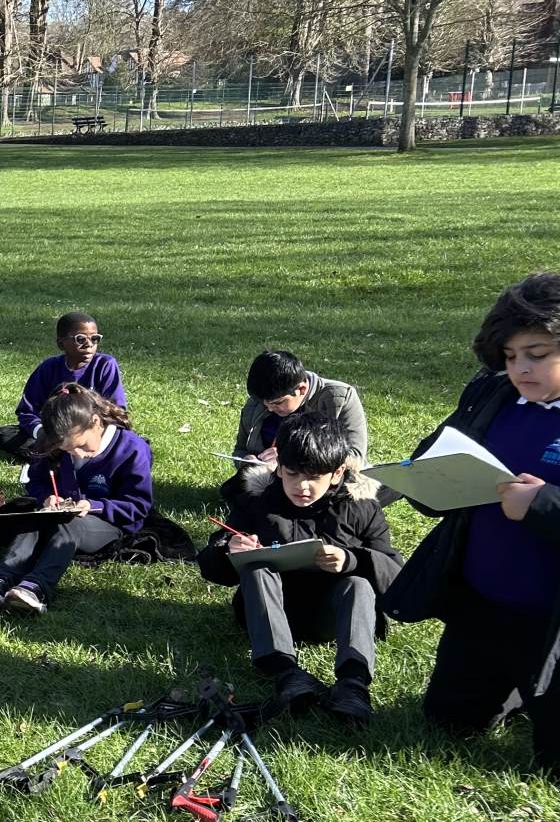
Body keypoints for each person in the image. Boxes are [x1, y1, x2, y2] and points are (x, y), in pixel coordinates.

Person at [386, 272, 560, 763]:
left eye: (537, 354)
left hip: (552, 620)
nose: (520, 368)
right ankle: (512, 687)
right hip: (483, 603)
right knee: (448, 720)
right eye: (510, 355)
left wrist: (542, 504)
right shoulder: (493, 393)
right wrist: (430, 479)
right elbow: (437, 454)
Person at [197, 415, 400, 723]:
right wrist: (229, 549)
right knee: (257, 568)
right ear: (279, 467)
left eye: (314, 477)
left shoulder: (361, 506)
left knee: (358, 584)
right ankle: (286, 673)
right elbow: (212, 568)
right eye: (292, 474)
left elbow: (396, 576)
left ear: (337, 473)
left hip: (331, 617)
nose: (302, 486)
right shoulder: (257, 499)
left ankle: (353, 684)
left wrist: (352, 560)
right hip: (266, 610)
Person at [0, 384, 153, 616]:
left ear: (96, 422)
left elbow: (138, 505)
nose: (77, 454)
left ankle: (37, 587)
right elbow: (36, 481)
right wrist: (46, 497)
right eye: (67, 449)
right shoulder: (57, 444)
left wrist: (94, 506)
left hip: (109, 522)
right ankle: (0, 578)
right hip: (60, 514)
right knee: (34, 519)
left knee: (69, 525)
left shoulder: (131, 449)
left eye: (81, 445)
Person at [0, 311, 125, 460]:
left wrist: (86, 434)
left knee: (125, 441)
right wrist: (42, 433)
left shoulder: (105, 365)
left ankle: (60, 455)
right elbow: (27, 411)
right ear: (61, 343)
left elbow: (116, 410)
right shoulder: (48, 367)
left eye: (95, 338)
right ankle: (61, 454)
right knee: (4, 434)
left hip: (90, 432)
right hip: (55, 432)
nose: (89, 344)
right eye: (80, 339)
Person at [233, 349, 367, 467]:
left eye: (277, 403)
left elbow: (355, 457)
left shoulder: (340, 398)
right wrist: (245, 461)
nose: (270, 409)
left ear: (301, 389)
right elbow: (240, 450)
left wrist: (291, 458)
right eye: (264, 404)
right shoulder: (258, 401)